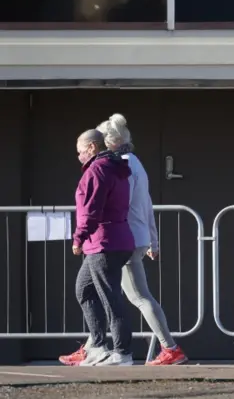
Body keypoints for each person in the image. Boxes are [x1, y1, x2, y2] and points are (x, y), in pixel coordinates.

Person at [60, 114, 188, 366]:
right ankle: (93, 345)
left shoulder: (117, 166)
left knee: (133, 296)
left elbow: (116, 203)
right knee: (100, 291)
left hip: (117, 238)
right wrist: (153, 239)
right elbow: (146, 203)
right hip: (130, 236)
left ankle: (167, 347)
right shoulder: (132, 163)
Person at [71, 129, 136, 366]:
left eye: (80, 151)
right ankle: (97, 345)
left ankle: (122, 352)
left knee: (110, 298)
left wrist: (78, 237)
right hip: (113, 240)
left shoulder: (97, 170)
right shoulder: (115, 168)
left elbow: (90, 209)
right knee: (85, 290)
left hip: (103, 242)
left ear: (91, 148)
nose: (78, 156)